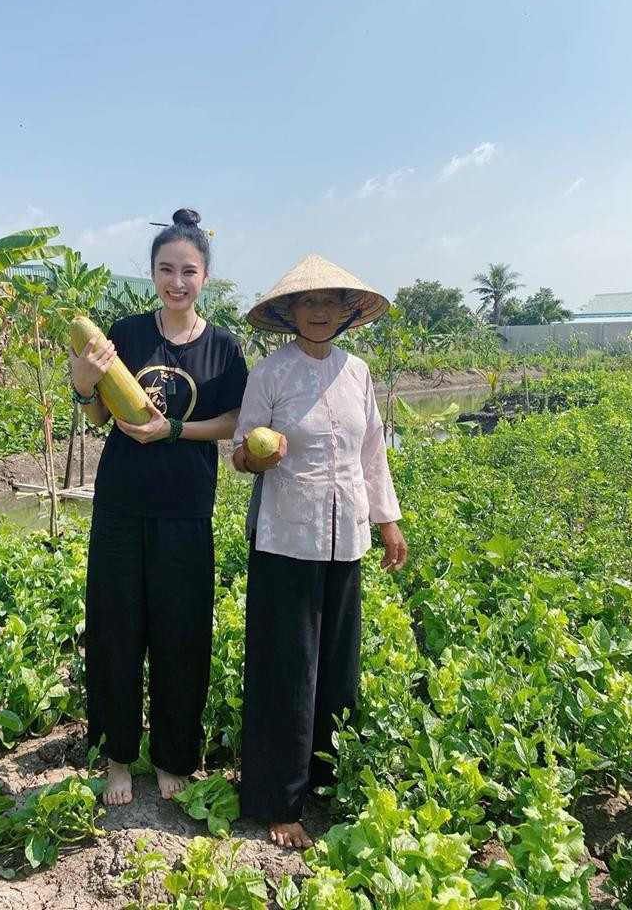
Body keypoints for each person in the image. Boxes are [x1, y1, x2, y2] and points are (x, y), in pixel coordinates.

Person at [70, 209, 248, 807]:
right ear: (152, 273)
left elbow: (233, 420)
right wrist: (83, 384)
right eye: (166, 269)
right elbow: (101, 415)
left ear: (205, 277)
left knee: (181, 636)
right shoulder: (124, 333)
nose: (177, 281)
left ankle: (173, 756)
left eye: (188, 271)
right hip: (121, 506)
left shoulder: (224, 348)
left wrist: (172, 429)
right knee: (115, 631)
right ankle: (118, 758)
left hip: (186, 510)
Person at [232, 253, 407, 849]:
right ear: (290, 312)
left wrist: (388, 522)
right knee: (285, 670)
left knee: (337, 666)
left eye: (330, 302)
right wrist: (259, 457)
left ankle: (327, 782)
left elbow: (372, 453)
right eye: (308, 302)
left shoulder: (357, 372)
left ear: (347, 312)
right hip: (286, 541)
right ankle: (277, 801)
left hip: (346, 539)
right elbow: (239, 454)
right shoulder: (271, 373)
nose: (319, 312)